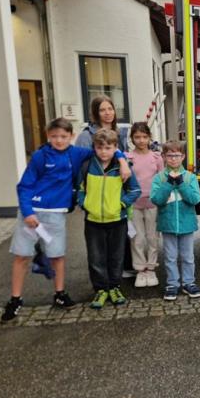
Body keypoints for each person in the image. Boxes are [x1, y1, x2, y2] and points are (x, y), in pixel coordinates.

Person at [1, 118, 130, 323]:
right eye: (54, 136)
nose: (59, 140)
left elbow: (107, 148)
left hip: (57, 214)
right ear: (48, 136)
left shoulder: (77, 153)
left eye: (63, 136)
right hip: (33, 213)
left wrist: (122, 161)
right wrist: (27, 212)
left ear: (71, 136)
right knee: (22, 255)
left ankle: (59, 293)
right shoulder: (40, 156)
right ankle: (15, 299)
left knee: (57, 256)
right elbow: (24, 186)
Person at [78, 128, 141, 309]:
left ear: (115, 148)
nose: (103, 152)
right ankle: (100, 289)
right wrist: (85, 204)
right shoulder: (87, 166)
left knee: (116, 256)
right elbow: (80, 189)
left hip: (117, 221)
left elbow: (135, 190)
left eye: (108, 147)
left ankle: (114, 287)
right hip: (93, 221)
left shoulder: (123, 167)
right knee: (95, 258)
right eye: (100, 147)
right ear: (94, 148)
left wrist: (121, 204)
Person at [150, 140, 200, 300]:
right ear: (164, 157)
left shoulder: (190, 177)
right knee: (170, 257)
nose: (173, 159)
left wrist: (180, 184)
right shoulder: (159, 178)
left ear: (183, 156)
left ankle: (188, 282)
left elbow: (195, 199)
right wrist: (168, 184)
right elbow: (156, 199)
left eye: (177, 155)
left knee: (188, 257)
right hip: (168, 224)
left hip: (187, 224)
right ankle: (172, 284)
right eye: (170, 155)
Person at [128, 122, 164, 288]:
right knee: (137, 238)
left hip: (152, 204)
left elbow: (162, 181)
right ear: (132, 138)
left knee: (152, 238)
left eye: (144, 137)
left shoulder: (156, 158)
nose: (141, 140)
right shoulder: (128, 158)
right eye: (137, 137)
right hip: (134, 205)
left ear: (149, 137)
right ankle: (140, 270)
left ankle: (151, 269)